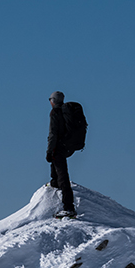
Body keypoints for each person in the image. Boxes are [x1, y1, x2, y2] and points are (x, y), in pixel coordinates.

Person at [46, 91, 77, 219]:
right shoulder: (66, 112)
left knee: (63, 175)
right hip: (67, 146)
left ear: (53, 100)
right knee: (58, 169)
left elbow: (53, 134)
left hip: (58, 147)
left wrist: (49, 150)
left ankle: (68, 207)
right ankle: (54, 182)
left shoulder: (55, 113)